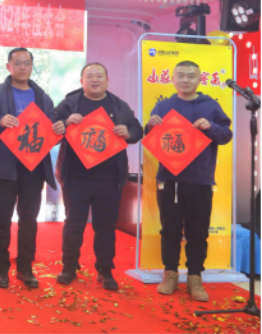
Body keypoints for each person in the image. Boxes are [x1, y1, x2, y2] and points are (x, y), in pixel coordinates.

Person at [147, 61, 232, 302]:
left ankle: (195, 277)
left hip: (200, 180)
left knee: (198, 232)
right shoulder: (163, 105)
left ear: (199, 79)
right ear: (173, 79)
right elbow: (151, 137)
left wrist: (211, 126)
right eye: (181, 75)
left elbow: (226, 135)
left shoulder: (210, 105)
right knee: (170, 230)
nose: (185, 80)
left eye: (191, 76)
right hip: (168, 179)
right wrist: (149, 126)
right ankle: (170, 274)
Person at [0, 48, 64, 289]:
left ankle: (25, 268)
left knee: (29, 220)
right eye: (17, 63)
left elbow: (50, 132)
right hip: (5, 166)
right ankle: (1, 269)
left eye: (27, 63)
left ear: (32, 66)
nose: (22, 67)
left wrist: (59, 130)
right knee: (2, 219)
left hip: (33, 168)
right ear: (9, 66)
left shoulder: (42, 96)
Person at [54, 63, 143, 291]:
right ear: (81, 81)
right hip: (75, 177)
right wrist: (65, 123)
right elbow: (51, 129)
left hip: (109, 178)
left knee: (105, 226)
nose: (95, 79)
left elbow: (137, 130)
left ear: (107, 80)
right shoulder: (69, 104)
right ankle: (69, 267)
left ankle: (105, 270)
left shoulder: (119, 105)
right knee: (73, 224)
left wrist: (129, 133)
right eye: (90, 76)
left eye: (99, 76)